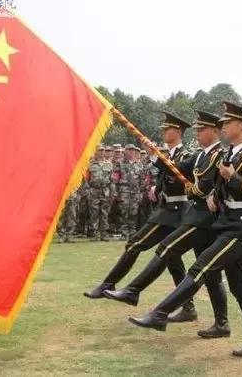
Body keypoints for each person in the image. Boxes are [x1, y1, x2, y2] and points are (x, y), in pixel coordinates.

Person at [129, 101, 242, 357]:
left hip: (240, 226)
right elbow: (216, 184)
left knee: (201, 267)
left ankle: (159, 314)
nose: (224, 126)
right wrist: (215, 194)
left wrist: (233, 178)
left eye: (228, 123)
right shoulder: (229, 156)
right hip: (226, 222)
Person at [104, 110, 231, 336]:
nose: (198, 133)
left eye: (202, 129)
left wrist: (207, 192)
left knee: (167, 249)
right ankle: (221, 323)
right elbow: (176, 170)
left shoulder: (220, 155)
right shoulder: (201, 156)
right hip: (197, 217)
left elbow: (218, 182)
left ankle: (134, 292)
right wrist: (154, 154)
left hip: (204, 218)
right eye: (197, 129)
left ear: (214, 130)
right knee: (210, 273)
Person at [83, 111, 194, 317]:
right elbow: (167, 178)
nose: (163, 132)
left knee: (137, 245)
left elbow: (177, 174)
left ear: (177, 131)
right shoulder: (167, 155)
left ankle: (109, 284)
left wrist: (153, 155)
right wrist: (157, 189)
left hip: (175, 212)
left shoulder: (185, 155)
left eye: (166, 129)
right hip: (165, 209)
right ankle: (188, 307)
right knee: (172, 260)